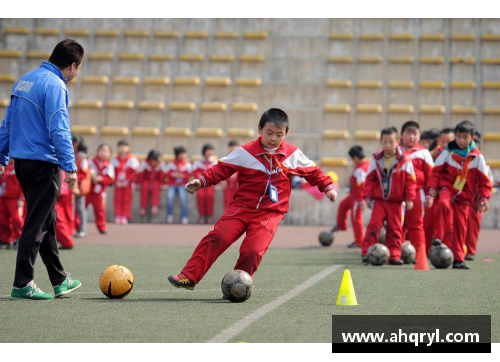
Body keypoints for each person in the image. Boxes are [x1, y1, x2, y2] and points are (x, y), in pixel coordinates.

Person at [168, 108, 337, 290]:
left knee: (253, 250)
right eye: (269, 133)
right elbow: (220, 169)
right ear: (259, 129)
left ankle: (239, 286)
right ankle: (189, 276)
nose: (273, 139)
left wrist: (327, 188)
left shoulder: (293, 154)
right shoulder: (245, 152)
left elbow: (313, 172)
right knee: (218, 236)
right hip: (241, 207)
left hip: (270, 213)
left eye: (279, 134)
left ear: (286, 133)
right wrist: (201, 181)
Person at [0, 39, 83, 300]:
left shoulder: (25, 80)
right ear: (73, 66)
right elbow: (59, 128)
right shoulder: (55, 84)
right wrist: (70, 167)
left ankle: (59, 280)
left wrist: (1, 156)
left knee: (47, 220)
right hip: (44, 164)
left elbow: (8, 123)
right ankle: (22, 283)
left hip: (22, 163)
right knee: (36, 224)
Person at [428, 121, 493, 269]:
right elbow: (436, 171)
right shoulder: (447, 152)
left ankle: (458, 259)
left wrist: (484, 198)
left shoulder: (477, 157)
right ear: (455, 136)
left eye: (465, 137)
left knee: (461, 228)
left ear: (472, 137)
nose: (461, 140)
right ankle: (437, 236)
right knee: (443, 204)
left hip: (465, 197)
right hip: (448, 188)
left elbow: (484, 181)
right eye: (459, 136)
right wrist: (432, 187)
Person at [361, 127, 416, 265]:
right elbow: (370, 179)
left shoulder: (405, 160)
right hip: (379, 201)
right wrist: (367, 196)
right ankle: (367, 252)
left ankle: (395, 256)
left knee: (395, 229)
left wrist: (409, 198)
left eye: (391, 142)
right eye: (385, 142)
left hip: (396, 202)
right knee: (373, 227)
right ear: (381, 142)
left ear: (397, 142)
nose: (388, 145)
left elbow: (410, 181)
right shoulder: (376, 159)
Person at [400, 121, 434, 252]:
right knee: (396, 225)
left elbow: (431, 177)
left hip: (417, 194)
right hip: (396, 194)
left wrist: (429, 196)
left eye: (415, 134)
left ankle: (419, 254)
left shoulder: (424, 153)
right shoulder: (395, 151)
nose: (411, 137)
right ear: (401, 135)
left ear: (419, 136)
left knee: (416, 225)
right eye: (408, 133)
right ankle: (396, 254)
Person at [331, 146, 370, 248]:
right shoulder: (364, 166)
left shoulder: (361, 169)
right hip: (353, 196)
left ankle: (359, 241)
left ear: (356, 158)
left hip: (358, 198)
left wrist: (362, 199)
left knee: (356, 218)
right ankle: (341, 226)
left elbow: (362, 185)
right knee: (343, 205)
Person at [464, 134, 494, 261]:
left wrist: (484, 199)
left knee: (472, 228)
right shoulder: (463, 164)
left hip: (475, 202)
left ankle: (470, 251)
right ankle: (459, 250)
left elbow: (488, 183)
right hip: (462, 199)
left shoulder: (484, 166)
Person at [87, 143, 115, 234]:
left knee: (100, 211)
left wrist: (101, 179)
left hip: (99, 193)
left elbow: (110, 179)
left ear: (110, 154)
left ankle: (102, 227)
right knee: (81, 209)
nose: (103, 153)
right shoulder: (91, 162)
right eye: (102, 150)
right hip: (87, 191)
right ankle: (78, 227)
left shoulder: (109, 166)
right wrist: (91, 177)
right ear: (97, 151)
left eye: (106, 151)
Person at [111, 140, 139, 225]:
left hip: (128, 184)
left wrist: (127, 181)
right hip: (118, 184)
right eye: (120, 146)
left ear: (128, 148)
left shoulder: (132, 160)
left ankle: (125, 215)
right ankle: (118, 215)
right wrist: (116, 182)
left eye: (124, 146)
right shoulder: (114, 160)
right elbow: (112, 173)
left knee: (127, 200)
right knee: (117, 199)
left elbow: (134, 173)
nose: (122, 148)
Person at [164, 146, 192, 225]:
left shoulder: (187, 164)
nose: (184, 155)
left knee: (183, 199)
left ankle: (185, 217)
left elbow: (189, 174)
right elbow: (167, 173)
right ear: (177, 155)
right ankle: (170, 215)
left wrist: (181, 175)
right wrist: (173, 174)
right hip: (172, 184)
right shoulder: (171, 164)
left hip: (182, 184)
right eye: (182, 154)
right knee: (169, 197)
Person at [0, 160, 24, 249]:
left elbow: (23, 183)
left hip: (14, 198)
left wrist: (21, 198)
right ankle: (6, 240)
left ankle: (21, 239)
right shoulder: (4, 165)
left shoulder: (20, 166)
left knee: (17, 219)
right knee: (2, 219)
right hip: (3, 197)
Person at [192, 144, 217, 224]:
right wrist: (201, 177)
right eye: (208, 150)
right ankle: (202, 216)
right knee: (200, 196)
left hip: (210, 183)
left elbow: (217, 172)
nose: (210, 152)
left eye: (211, 150)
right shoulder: (198, 162)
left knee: (210, 196)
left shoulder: (215, 161)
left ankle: (209, 216)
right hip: (201, 183)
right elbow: (195, 172)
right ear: (204, 151)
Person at [137, 149, 164, 217]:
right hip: (146, 180)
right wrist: (139, 183)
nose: (155, 162)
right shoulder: (144, 163)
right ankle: (143, 207)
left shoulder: (160, 164)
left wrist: (162, 183)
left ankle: (154, 205)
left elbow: (162, 175)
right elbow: (141, 175)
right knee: (144, 187)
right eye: (153, 160)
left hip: (156, 181)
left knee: (156, 187)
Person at [73, 137, 90, 238]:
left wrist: (73, 180)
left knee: (80, 208)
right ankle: (78, 228)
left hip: (79, 187)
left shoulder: (82, 157)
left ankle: (82, 229)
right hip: (75, 185)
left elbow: (83, 173)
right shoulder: (77, 156)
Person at [55, 171, 75, 249]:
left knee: (58, 217)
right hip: (61, 187)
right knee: (61, 216)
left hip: (56, 187)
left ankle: (67, 241)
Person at [223, 140, 239, 211]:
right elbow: (221, 170)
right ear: (229, 148)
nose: (233, 149)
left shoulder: (241, 157)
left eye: (235, 147)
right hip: (228, 183)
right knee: (227, 200)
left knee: (237, 201)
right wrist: (222, 180)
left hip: (237, 183)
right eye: (232, 147)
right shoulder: (225, 159)